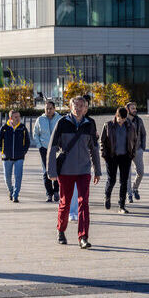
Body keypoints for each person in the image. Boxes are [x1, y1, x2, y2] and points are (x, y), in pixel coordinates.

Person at [47, 96, 101, 249]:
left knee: (84, 202)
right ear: (70, 107)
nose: (78, 108)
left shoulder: (90, 124)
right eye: (75, 105)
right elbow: (52, 149)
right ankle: (60, 230)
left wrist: (97, 170)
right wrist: (51, 171)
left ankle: (83, 237)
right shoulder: (62, 123)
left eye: (81, 105)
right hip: (66, 170)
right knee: (65, 202)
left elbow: (94, 148)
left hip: (84, 170)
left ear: (86, 108)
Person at [101, 107, 139, 214]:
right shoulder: (108, 125)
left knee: (124, 181)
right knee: (112, 179)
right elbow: (102, 141)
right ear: (116, 115)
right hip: (112, 156)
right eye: (120, 119)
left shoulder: (131, 126)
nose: (122, 121)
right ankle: (107, 196)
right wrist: (105, 155)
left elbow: (135, 141)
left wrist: (132, 154)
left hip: (125, 156)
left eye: (124, 119)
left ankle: (122, 205)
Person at [0, 110, 31, 203]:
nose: (18, 118)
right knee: (7, 178)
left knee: (18, 177)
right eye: (16, 117)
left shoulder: (22, 127)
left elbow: (27, 141)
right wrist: (2, 151)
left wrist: (24, 151)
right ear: (11, 118)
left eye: (19, 116)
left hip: (19, 157)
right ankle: (11, 191)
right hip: (7, 158)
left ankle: (15, 195)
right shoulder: (4, 128)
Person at [33, 100, 62, 202]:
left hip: (57, 149)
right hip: (44, 149)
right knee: (46, 171)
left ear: (54, 109)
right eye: (47, 109)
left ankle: (56, 192)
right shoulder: (40, 119)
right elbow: (35, 134)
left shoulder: (60, 119)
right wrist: (39, 146)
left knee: (57, 171)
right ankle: (49, 193)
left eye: (50, 108)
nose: (49, 110)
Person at [126, 101, 147, 203]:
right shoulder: (123, 120)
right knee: (127, 174)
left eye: (135, 108)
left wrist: (142, 148)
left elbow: (143, 134)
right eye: (132, 108)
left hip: (138, 150)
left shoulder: (139, 120)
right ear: (127, 110)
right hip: (125, 151)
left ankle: (135, 188)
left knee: (141, 172)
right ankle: (129, 194)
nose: (135, 110)